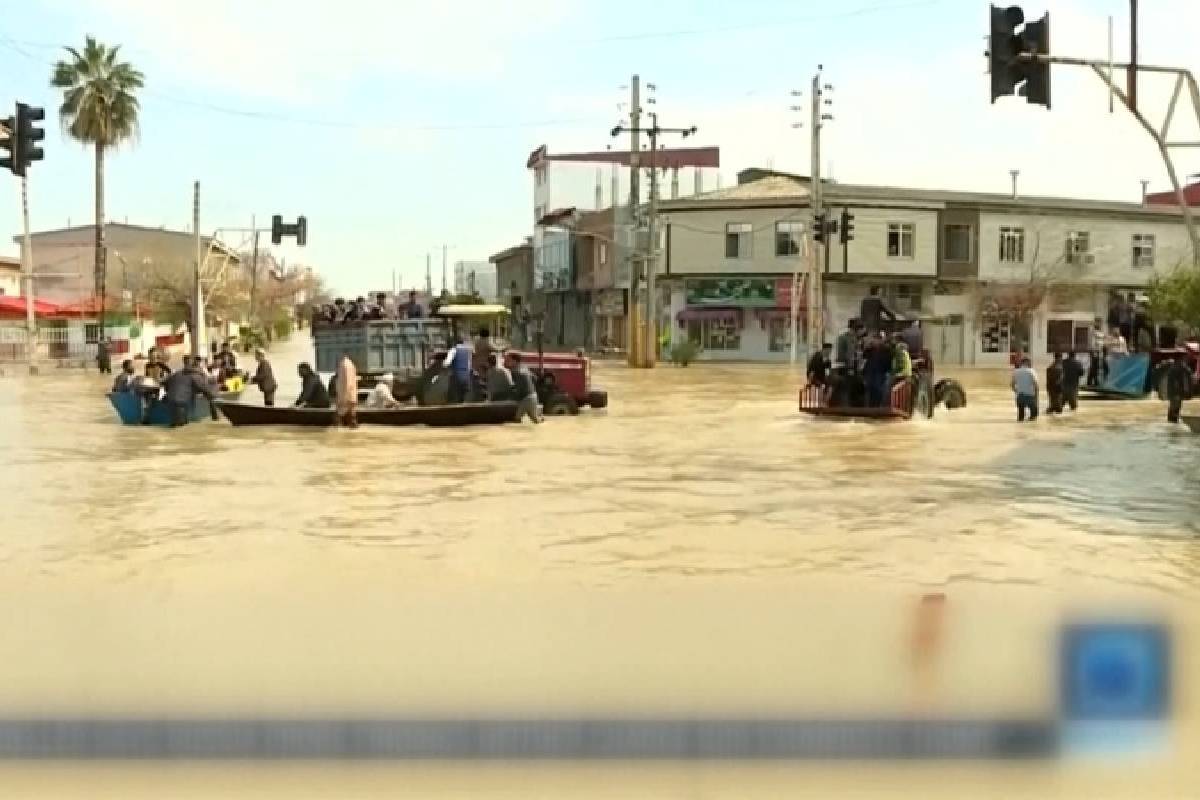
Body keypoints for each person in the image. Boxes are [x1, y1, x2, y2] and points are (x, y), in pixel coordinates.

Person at [162, 356, 219, 427]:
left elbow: (164, 382)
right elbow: (205, 389)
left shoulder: (176, 373)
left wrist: (168, 391)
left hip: (170, 401)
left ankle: (178, 422)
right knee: (181, 426)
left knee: (176, 425)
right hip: (181, 402)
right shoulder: (195, 375)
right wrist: (214, 397)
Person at [506, 351, 542, 424]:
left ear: (514, 361)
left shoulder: (514, 371)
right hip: (534, 395)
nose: (506, 362)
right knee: (535, 420)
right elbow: (535, 378)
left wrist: (511, 397)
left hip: (526, 398)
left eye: (508, 360)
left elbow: (518, 389)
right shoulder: (524, 367)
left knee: (516, 420)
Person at [862, 335, 893, 408]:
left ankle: (877, 407)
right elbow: (865, 356)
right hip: (870, 372)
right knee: (870, 389)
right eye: (873, 340)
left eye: (875, 340)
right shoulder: (871, 349)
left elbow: (888, 360)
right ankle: (870, 407)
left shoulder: (885, 349)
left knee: (878, 390)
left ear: (880, 340)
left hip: (880, 372)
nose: (873, 342)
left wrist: (886, 369)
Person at [442, 335, 472, 404]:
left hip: (456, 376)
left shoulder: (453, 350)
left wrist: (444, 366)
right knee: (462, 397)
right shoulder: (467, 351)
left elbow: (446, 364)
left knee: (453, 397)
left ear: (454, 342)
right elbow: (469, 364)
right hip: (466, 377)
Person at [1011, 357, 1039, 422]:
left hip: (1020, 395)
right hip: (1030, 395)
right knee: (1033, 417)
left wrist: (1016, 391)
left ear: (1022, 363)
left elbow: (1012, 384)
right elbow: (1036, 383)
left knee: (1020, 417)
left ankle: (1020, 430)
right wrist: (1036, 394)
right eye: (1030, 363)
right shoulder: (1032, 371)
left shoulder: (1016, 371)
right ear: (1027, 363)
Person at [335, 353, 359, 427]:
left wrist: (344, 396)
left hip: (345, 394)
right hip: (350, 393)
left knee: (341, 416)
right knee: (351, 413)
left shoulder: (344, 365)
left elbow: (347, 381)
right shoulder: (350, 364)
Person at [1165, 357, 1191, 423]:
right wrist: (1177, 393)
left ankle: (1173, 421)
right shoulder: (1176, 369)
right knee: (1175, 407)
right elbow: (1175, 382)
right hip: (1176, 393)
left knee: (1175, 407)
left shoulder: (1177, 368)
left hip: (1176, 393)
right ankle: (1172, 421)